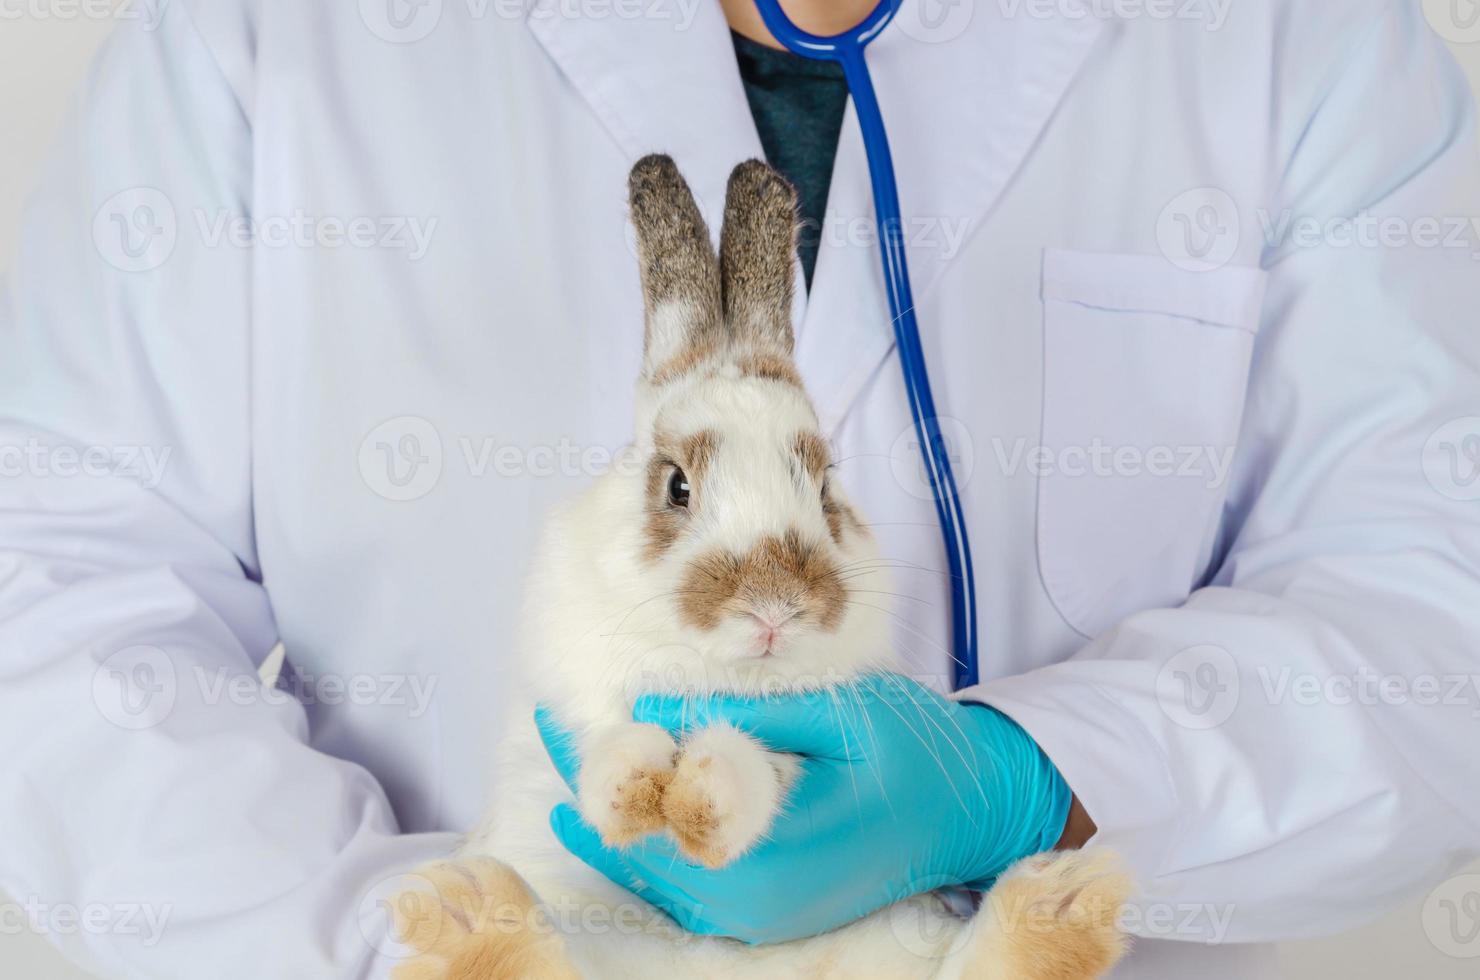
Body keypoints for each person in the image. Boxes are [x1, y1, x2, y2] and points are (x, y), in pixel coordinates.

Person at [2, 0, 1478, 977]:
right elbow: (53, 589)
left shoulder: (1303, 39)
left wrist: (1042, 775)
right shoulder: (264, 39)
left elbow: (1438, 596)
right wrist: (412, 949)